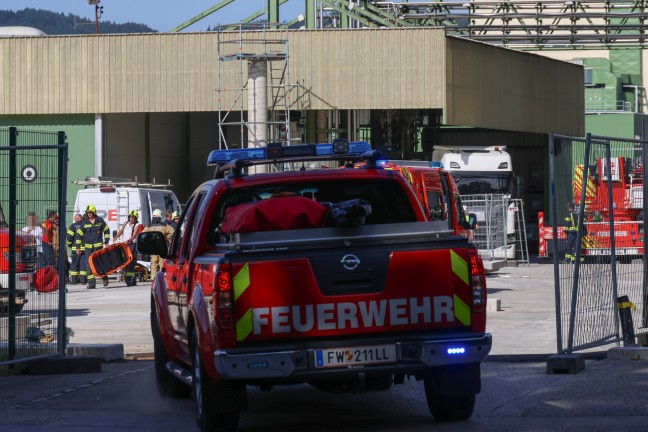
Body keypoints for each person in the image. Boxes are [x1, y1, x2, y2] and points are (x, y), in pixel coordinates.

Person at [78, 204, 110, 289]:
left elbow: (106, 230)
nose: (89, 214)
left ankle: (104, 278)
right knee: (88, 265)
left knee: (100, 263)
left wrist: (106, 242)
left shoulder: (100, 221)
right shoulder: (85, 223)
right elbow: (79, 235)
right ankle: (92, 283)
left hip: (98, 247)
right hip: (88, 248)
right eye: (88, 212)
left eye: (90, 212)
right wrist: (78, 247)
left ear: (94, 212)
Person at [142, 209, 174, 281]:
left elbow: (143, 233)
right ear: (160, 216)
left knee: (153, 263)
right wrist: (166, 237)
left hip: (153, 248)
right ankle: (163, 277)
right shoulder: (164, 225)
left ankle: (153, 278)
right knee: (162, 262)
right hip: (161, 247)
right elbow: (173, 231)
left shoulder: (149, 226)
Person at [114, 210, 143, 286]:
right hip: (124, 245)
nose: (131, 218)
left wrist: (129, 240)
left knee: (131, 262)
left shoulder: (137, 225)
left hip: (131, 245)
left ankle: (130, 280)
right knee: (126, 262)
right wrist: (116, 237)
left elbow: (134, 235)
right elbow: (121, 231)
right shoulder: (126, 223)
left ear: (136, 218)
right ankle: (129, 279)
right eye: (130, 217)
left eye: (133, 217)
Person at [66, 214, 85, 284]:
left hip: (75, 248)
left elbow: (69, 237)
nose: (74, 220)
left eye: (75, 218)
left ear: (78, 218)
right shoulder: (85, 225)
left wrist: (70, 244)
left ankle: (74, 281)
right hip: (84, 249)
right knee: (83, 264)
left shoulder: (73, 226)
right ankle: (83, 280)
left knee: (74, 264)